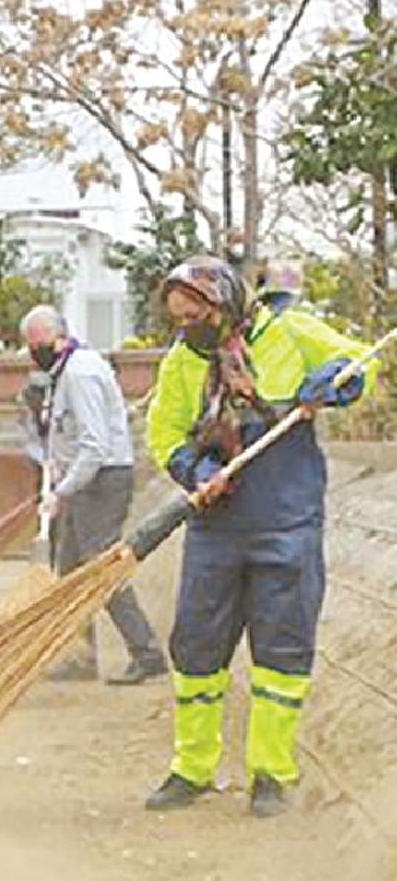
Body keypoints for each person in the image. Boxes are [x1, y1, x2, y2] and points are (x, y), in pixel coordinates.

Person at [144, 253, 375, 817]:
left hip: (286, 521)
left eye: (195, 315)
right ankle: (191, 769)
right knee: (196, 648)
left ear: (224, 302)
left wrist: (333, 382)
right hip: (214, 529)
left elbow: (355, 366)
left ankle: (271, 774)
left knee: (280, 652)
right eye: (178, 320)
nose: (187, 328)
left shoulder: (290, 330)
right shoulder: (182, 363)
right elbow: (163, 430)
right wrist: (195, 473)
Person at [20, 305, 168, 685]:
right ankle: (79, 657)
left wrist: (62, 491)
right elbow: (65, 433)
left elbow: (94, 445)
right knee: (69, 566)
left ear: (60, 339)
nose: (35, 353)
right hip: (84, 478)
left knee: (100, 565)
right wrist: (55, 468)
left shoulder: (81, 373)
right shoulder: (64, 371)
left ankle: (146, 652)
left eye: (39, 345)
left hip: (102, 480)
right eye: (31, 347)